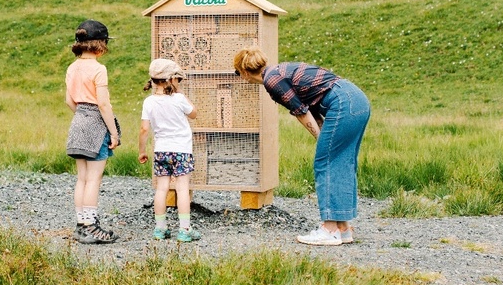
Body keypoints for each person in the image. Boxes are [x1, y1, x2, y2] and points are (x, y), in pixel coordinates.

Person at [233, 47, 371, 246]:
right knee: (341, 162)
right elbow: (311, 107)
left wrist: (320, 139)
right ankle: (343, 228)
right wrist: (324, 136)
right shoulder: (279, 71)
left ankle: (329, 229)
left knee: (325, 162)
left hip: (343, 103)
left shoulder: (272, 80)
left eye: (238, 73)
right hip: (355, 100)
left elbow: (301, 112)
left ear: (245, 72)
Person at [65, 19, 120, 244]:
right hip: (96, 124)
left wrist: (82, 115)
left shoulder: (72, 67)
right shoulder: (99, 69)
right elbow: (104, 104)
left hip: (78, 122)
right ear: (100, 44)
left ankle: (81, 225)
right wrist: (113, 132)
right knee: (94, 179)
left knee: (82, 178)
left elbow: (69, 101)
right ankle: (91, 226)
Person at [138, 58, 202, 242]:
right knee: (182, 189)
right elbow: (194, 114)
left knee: (161, 189)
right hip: (182, 150)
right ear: (172, 79)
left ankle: (160, 228)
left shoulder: (149, 102)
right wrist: (180, 92)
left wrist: (142, 151)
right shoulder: (179, 98)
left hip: (161, 151)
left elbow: (144, 129)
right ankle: (184, 229)